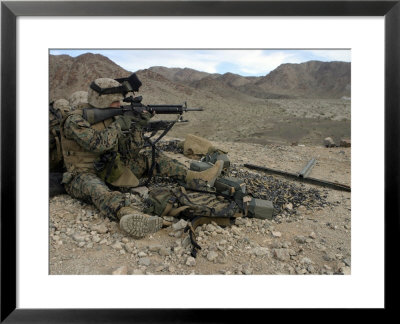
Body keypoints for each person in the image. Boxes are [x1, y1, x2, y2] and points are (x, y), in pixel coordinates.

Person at [60, 77, 223, 238]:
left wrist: (138, 126)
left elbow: (130, 151)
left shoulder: (112, 118)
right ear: (103, 101)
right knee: (98, 190)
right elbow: (98, 144)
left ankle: (196, 177)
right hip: (81, 175)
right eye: (116, 101)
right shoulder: (75, 120)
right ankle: (127, 214)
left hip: (111, 169)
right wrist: (119, 125)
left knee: (151, 156)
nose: (119, 104)